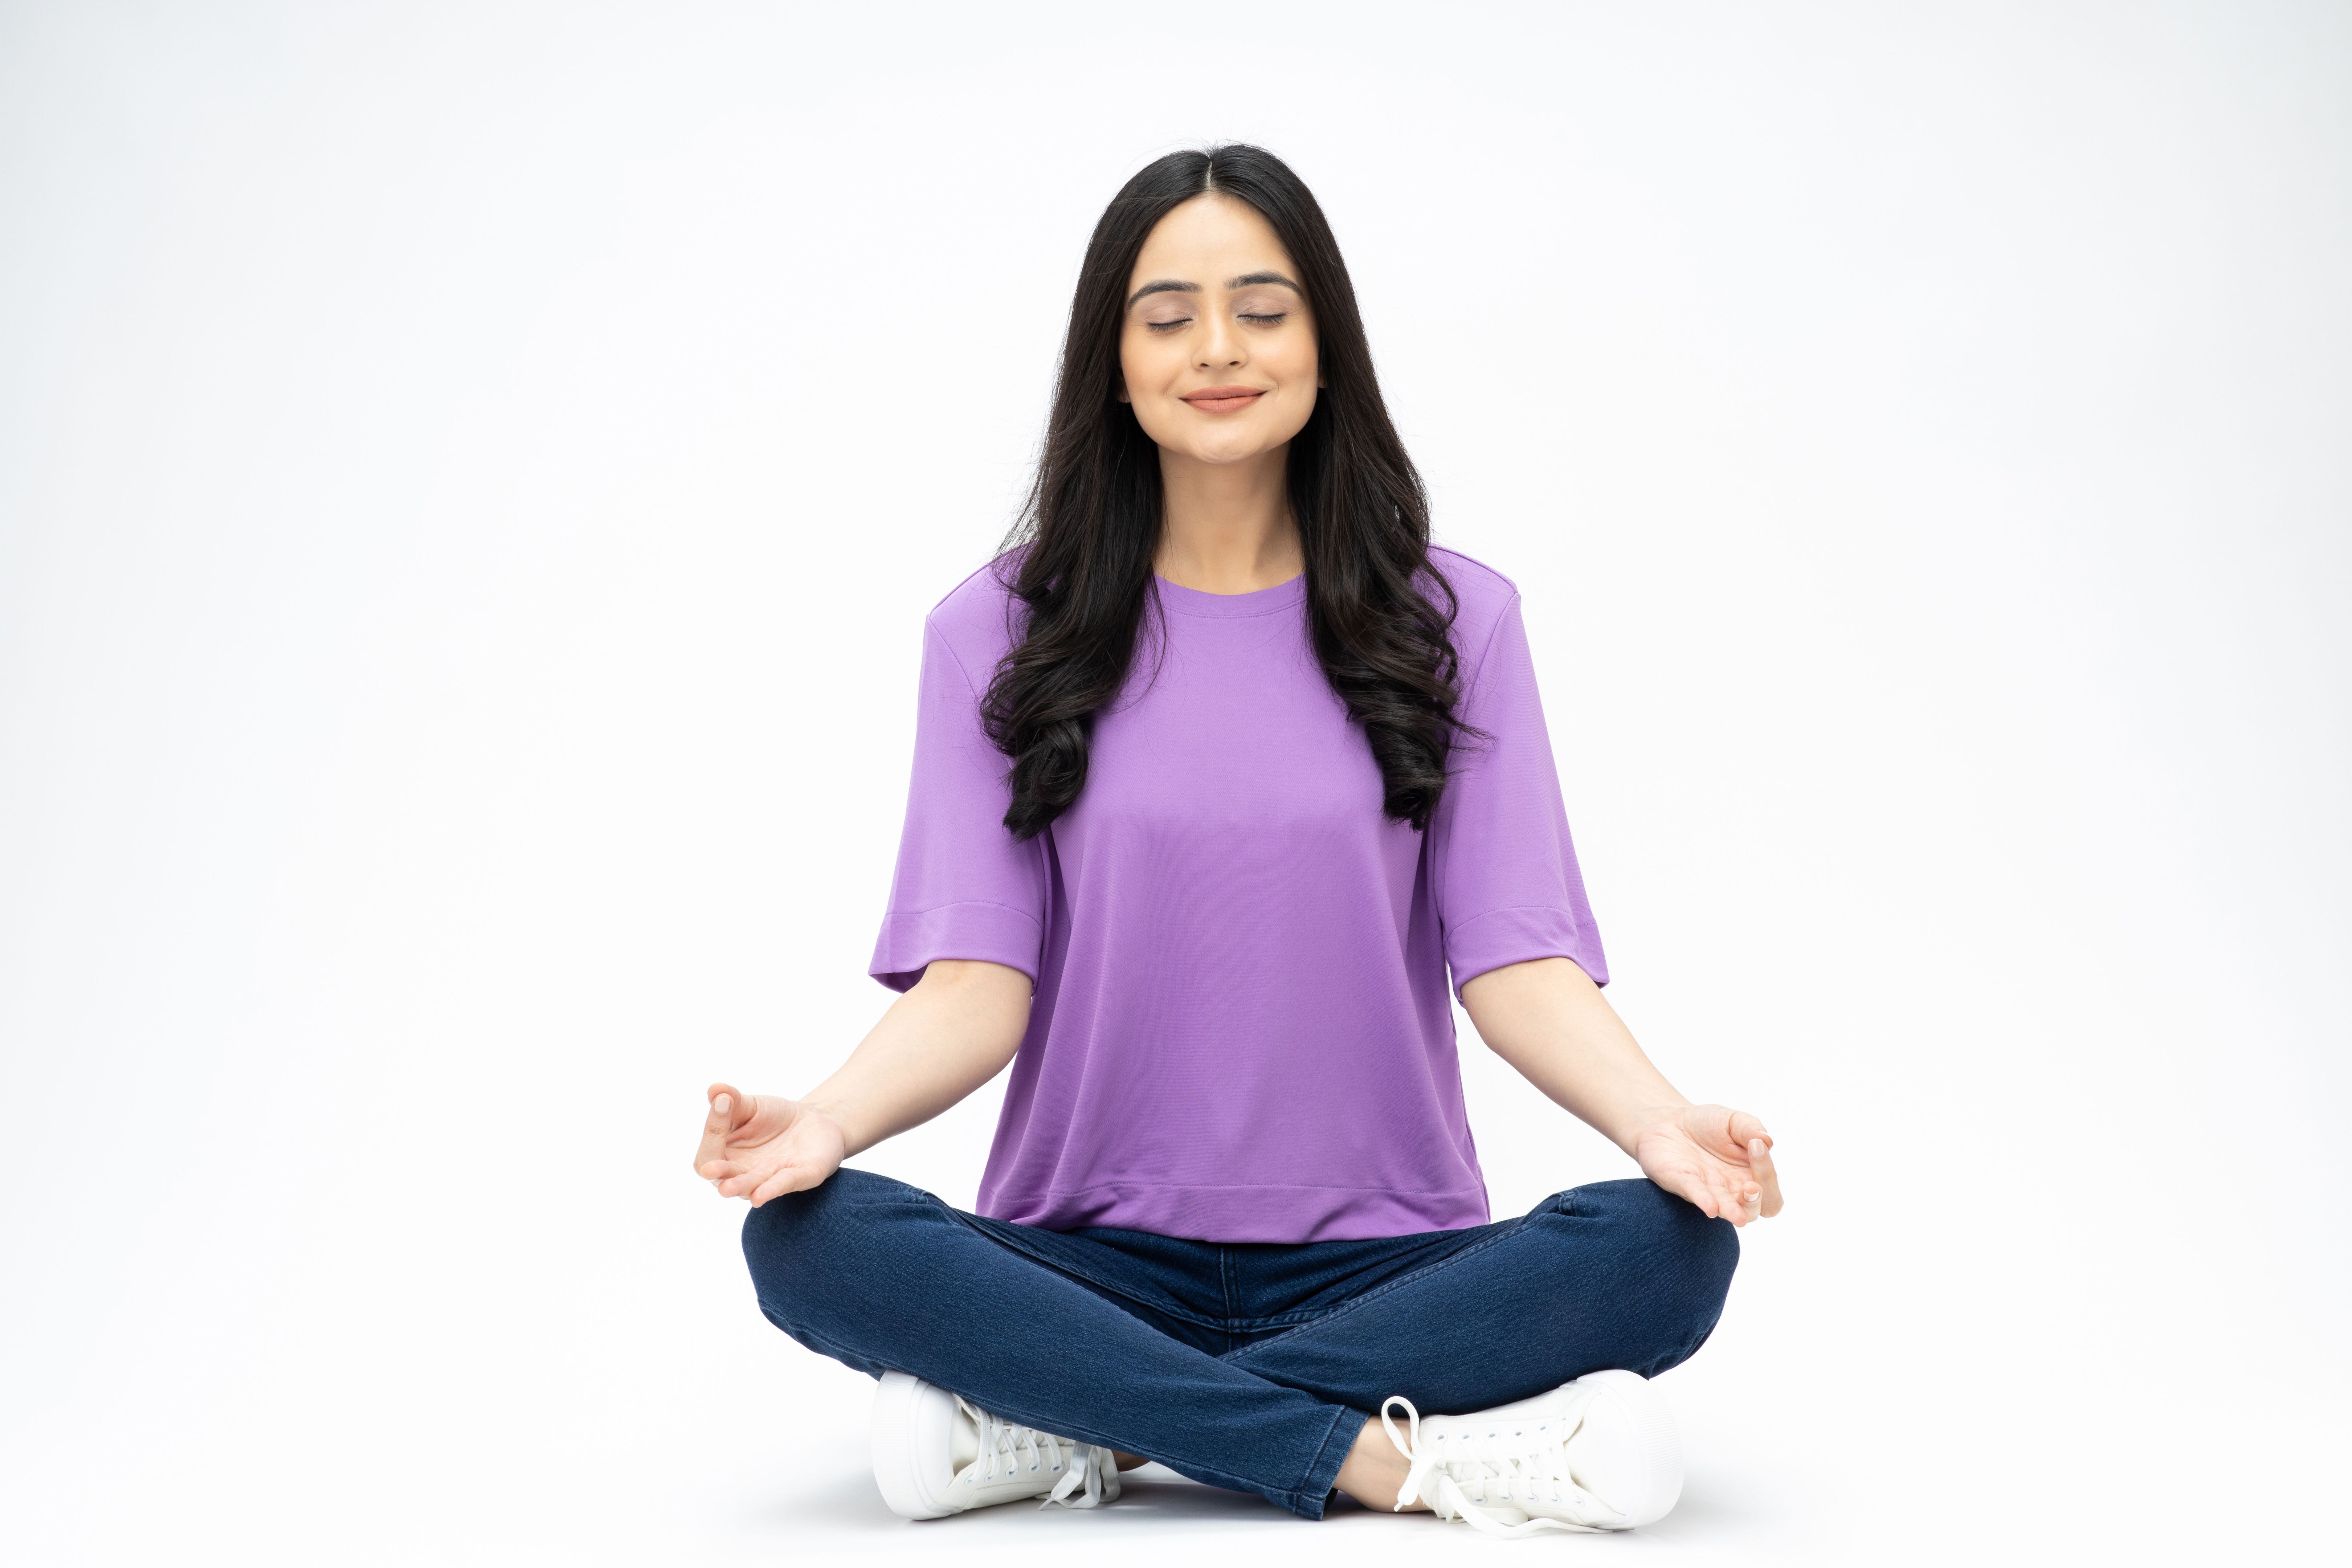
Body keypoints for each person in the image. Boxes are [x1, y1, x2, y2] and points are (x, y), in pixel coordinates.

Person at [692, 143, 1783, 1538]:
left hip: (1391, 1269)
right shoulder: (994, 635)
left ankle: (1065, 1416)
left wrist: (1661, 1122)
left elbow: (1516, 966)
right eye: (1169, 316)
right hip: (1080, 1259)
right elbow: (977, 987)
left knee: (1668, 1251)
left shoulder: (1458, 625)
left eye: (1263, 310)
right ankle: (1392, 1459)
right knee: (809, 1240)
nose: (1220, 348)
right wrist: (825, 1123)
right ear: (1116, 358)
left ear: (1325, 339)